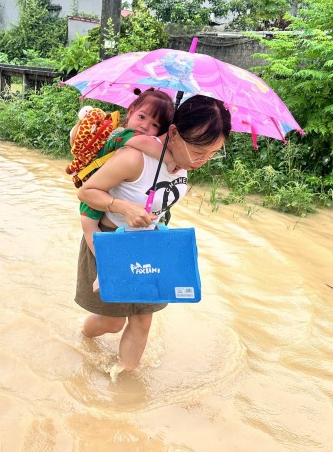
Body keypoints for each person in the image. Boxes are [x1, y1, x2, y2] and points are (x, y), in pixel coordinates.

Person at [75, 95, 231, 379]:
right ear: (173, 133)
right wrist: (122, 206)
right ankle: (82, 336)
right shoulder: (135, 158)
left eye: (212, 153)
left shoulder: (183, 162)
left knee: (143, 319)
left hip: (149, 245)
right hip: (111, 240)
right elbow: (87, 193)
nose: (203, 161)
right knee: (112, 322)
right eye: (198, 151)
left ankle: (124, 380)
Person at [69, 90, 176, 293]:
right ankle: (104, 268)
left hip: (111, 190)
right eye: (142, 117)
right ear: (131, 111)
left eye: (154, 125)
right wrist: (170, 160)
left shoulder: (122, 134)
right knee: (88, 224)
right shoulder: (124, 134)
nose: (145, 126)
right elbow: (146, 143)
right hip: (97, 189)